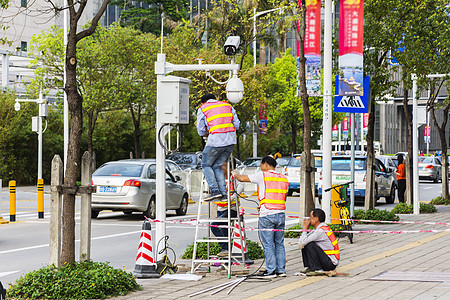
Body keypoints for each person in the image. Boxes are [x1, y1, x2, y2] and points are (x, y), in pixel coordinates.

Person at [234, 156, 288, 278]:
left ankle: (271, 270)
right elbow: (283, 197)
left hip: (267, 214)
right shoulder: (284, 178)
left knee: (268, 243)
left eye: (261, 165)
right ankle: (281, 270)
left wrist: (235, 174)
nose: (261, 168)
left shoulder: (263, 175)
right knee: (279, 243)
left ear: (265, 164)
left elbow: (243, 178)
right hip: (281, 214)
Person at [197, 94, 240, 200]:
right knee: (217, 166)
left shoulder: (203, 108)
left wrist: (207, 133)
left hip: (215, 141)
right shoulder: (227, 105)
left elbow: (201, 130)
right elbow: (237, 125)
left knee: (206, 165)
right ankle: (223, 194)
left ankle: (215, 190)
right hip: (230, 142)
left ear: (204, 102)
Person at [210, 160, 244, 257]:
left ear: (230, 168)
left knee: (214, 226)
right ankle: (227, 252)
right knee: (225, 231)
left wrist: (231, 197)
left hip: (232, 209)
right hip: (220, 208)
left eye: (223, 165)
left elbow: (240, 187)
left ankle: (226, 248)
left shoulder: (235, 178)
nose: (221, 167)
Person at [298, 209, 340, 275]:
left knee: (309, 244)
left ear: (316, 219)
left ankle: (317, 269)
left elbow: (302, 242)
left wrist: (305, 229)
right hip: (328, 260)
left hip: (330, 263)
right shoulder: (321, 228)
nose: (308, 219)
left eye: (310, 217)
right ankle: (311, 267)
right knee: (307, 242)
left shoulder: (320, 231)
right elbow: (302, 242)